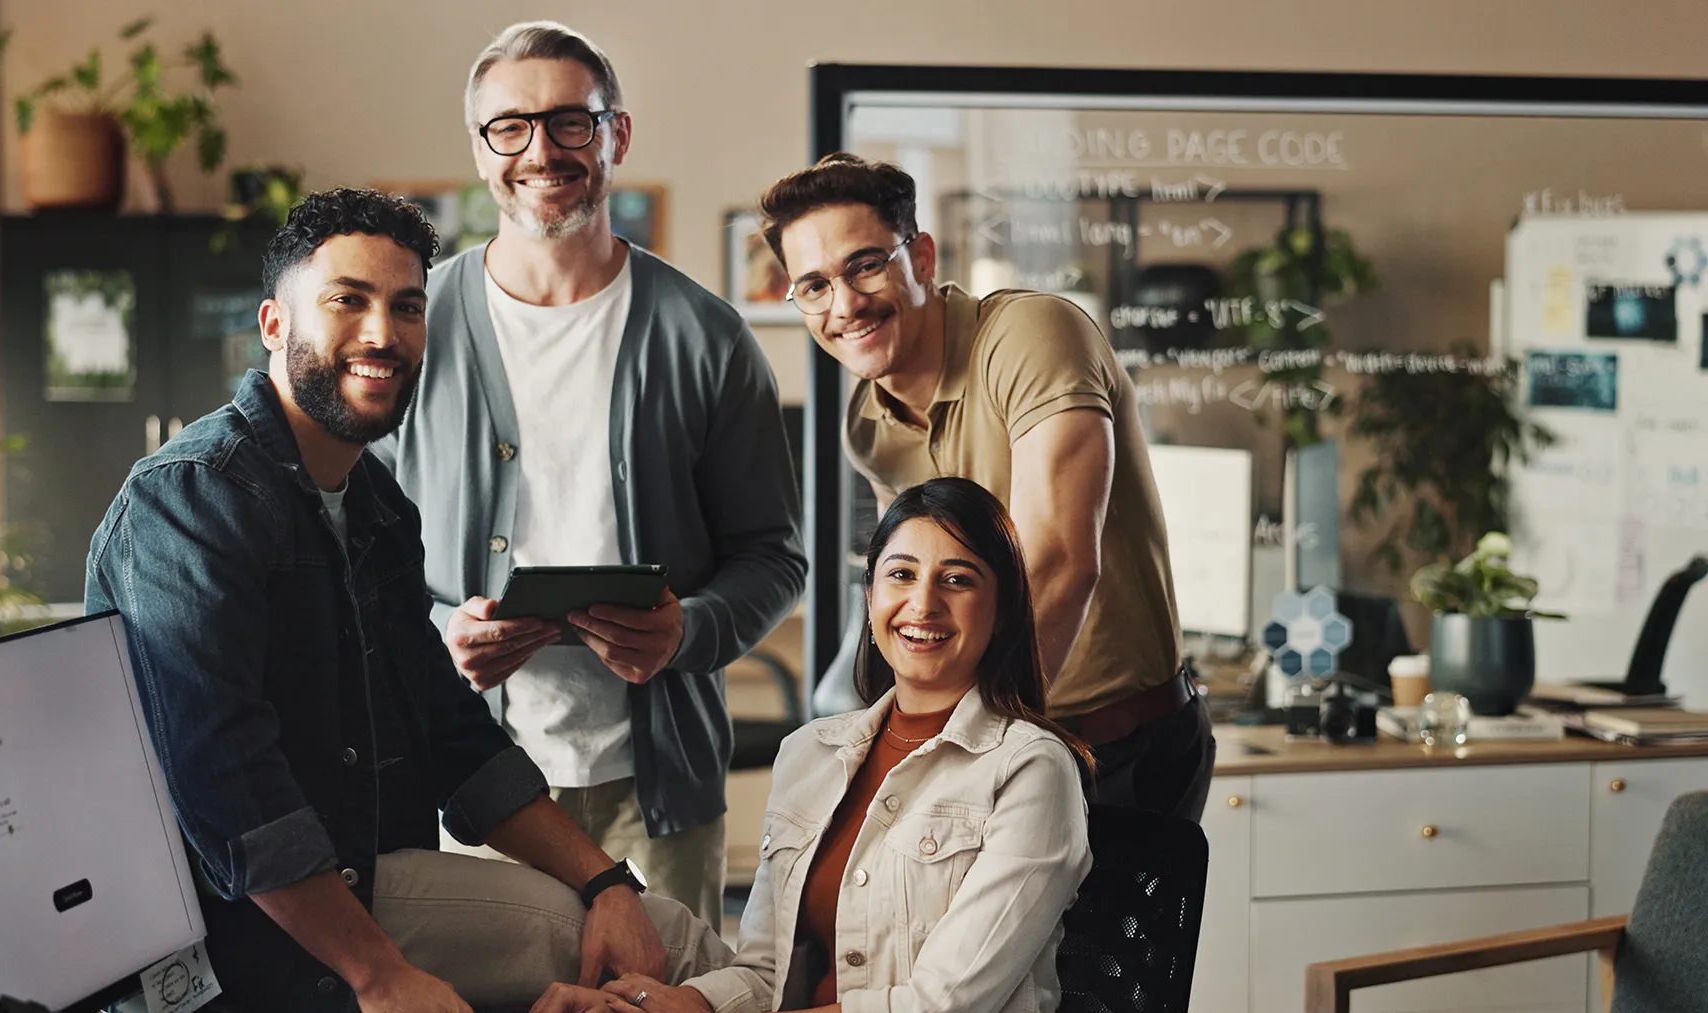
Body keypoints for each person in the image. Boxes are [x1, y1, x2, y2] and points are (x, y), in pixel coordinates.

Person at [84, 188, 729, 1013]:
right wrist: (380, 975)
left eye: (407, 306)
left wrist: (605, 881)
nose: (383, 333)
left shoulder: (376, 504)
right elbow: (227, 786)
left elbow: (449, 731)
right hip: (235, 930)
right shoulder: (191, 500)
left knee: (641, 929)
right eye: (347, 301)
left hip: (361, 876)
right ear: (274, 325)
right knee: (683, 948)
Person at [377, 21, 805, 929]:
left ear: (618, 135)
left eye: (573, 122)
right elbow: (348, 548)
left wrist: (686, 630)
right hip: (471, 780)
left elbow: (774, 557)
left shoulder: (708, 336)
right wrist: (435, 632)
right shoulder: (415, 327)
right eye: (511, 127)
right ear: (480, 149)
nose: (542, 150)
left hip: (658, 793)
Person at [754, 153, 1215, 822]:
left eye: (865, 265)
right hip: (991, 750)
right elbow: (912, 597)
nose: (845, 304)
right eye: (815, 286)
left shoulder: (1031, 335)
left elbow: (1057, 560)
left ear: (923, 257)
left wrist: (970, 754)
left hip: (1117, 753)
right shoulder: (868, 423)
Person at [531, 476, 1093, 1013]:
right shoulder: (811, 753)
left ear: (1001, 613)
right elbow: (765, 973)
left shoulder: (1030, 769)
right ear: (870, 597)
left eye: (958, 579)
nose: (923, 605)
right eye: (901, 574)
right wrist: (671, 1002)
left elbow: (944, 1004)